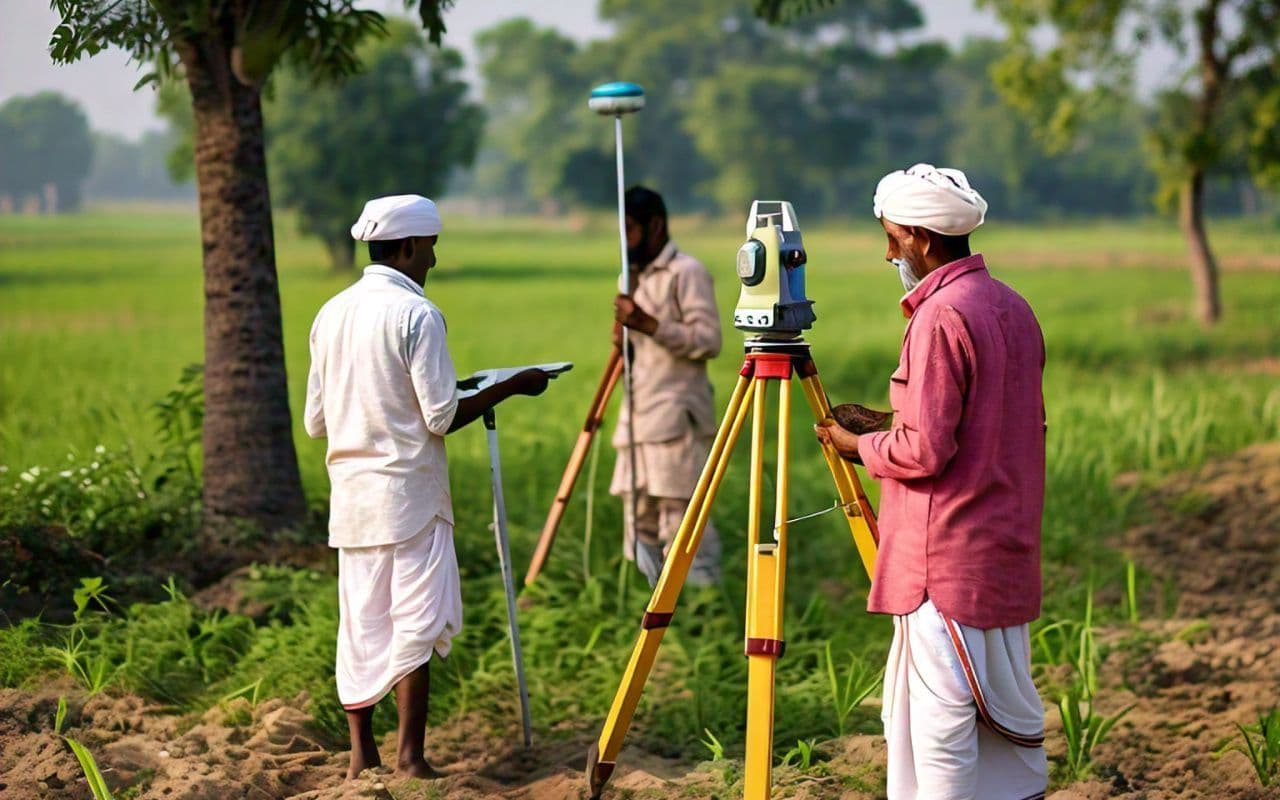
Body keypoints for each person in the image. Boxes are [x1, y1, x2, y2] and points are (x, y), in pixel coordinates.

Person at [814, 164, 1049, 800]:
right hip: (1001, 550)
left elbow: (925, 450)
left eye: (892, 237)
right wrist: (884, 423)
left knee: (942, 727)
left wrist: (855, 444)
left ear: (919, 237)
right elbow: (984, 424)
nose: (890, 252)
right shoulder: (1011, 306)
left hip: (944, 561)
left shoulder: (940, 317)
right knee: (996, 715)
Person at [304, 194, 548, 780]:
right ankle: (411, 758)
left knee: (361, 624)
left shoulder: (330, 313)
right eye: (431, 249)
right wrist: (512, 385)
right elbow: (440, 418)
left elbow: (317, 421)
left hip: (353, 501)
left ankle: (362, 758)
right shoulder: (419, 316)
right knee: (416, 622)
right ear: (409, 246)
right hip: (409, 498)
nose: (433, 262)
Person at [610, 186, 723, 586]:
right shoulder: (630, 275)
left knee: (682, 518)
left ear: (654, 225)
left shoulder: (686, 272)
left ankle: (700, 607)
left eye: (630, 230)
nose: (625, 241)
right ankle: (648, 611)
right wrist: (623, 334)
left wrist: (651, 325)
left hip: (677, 417)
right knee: (636, 517)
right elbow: (629, 349)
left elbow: (709, 341)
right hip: (637, 418)